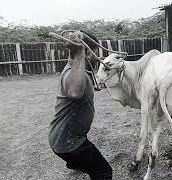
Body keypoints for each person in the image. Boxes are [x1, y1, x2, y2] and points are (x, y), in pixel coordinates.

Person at [48, 30, 112, 180]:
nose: (98, 58)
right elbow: (75, 92)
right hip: (69, 142)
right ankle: (75, 161)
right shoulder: (73, 73)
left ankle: (74, 163)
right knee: (103, 172)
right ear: (88, 53)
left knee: (79, 159)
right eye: (95, 53)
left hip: (60, 137)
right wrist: (80, 52)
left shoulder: (80, 70)